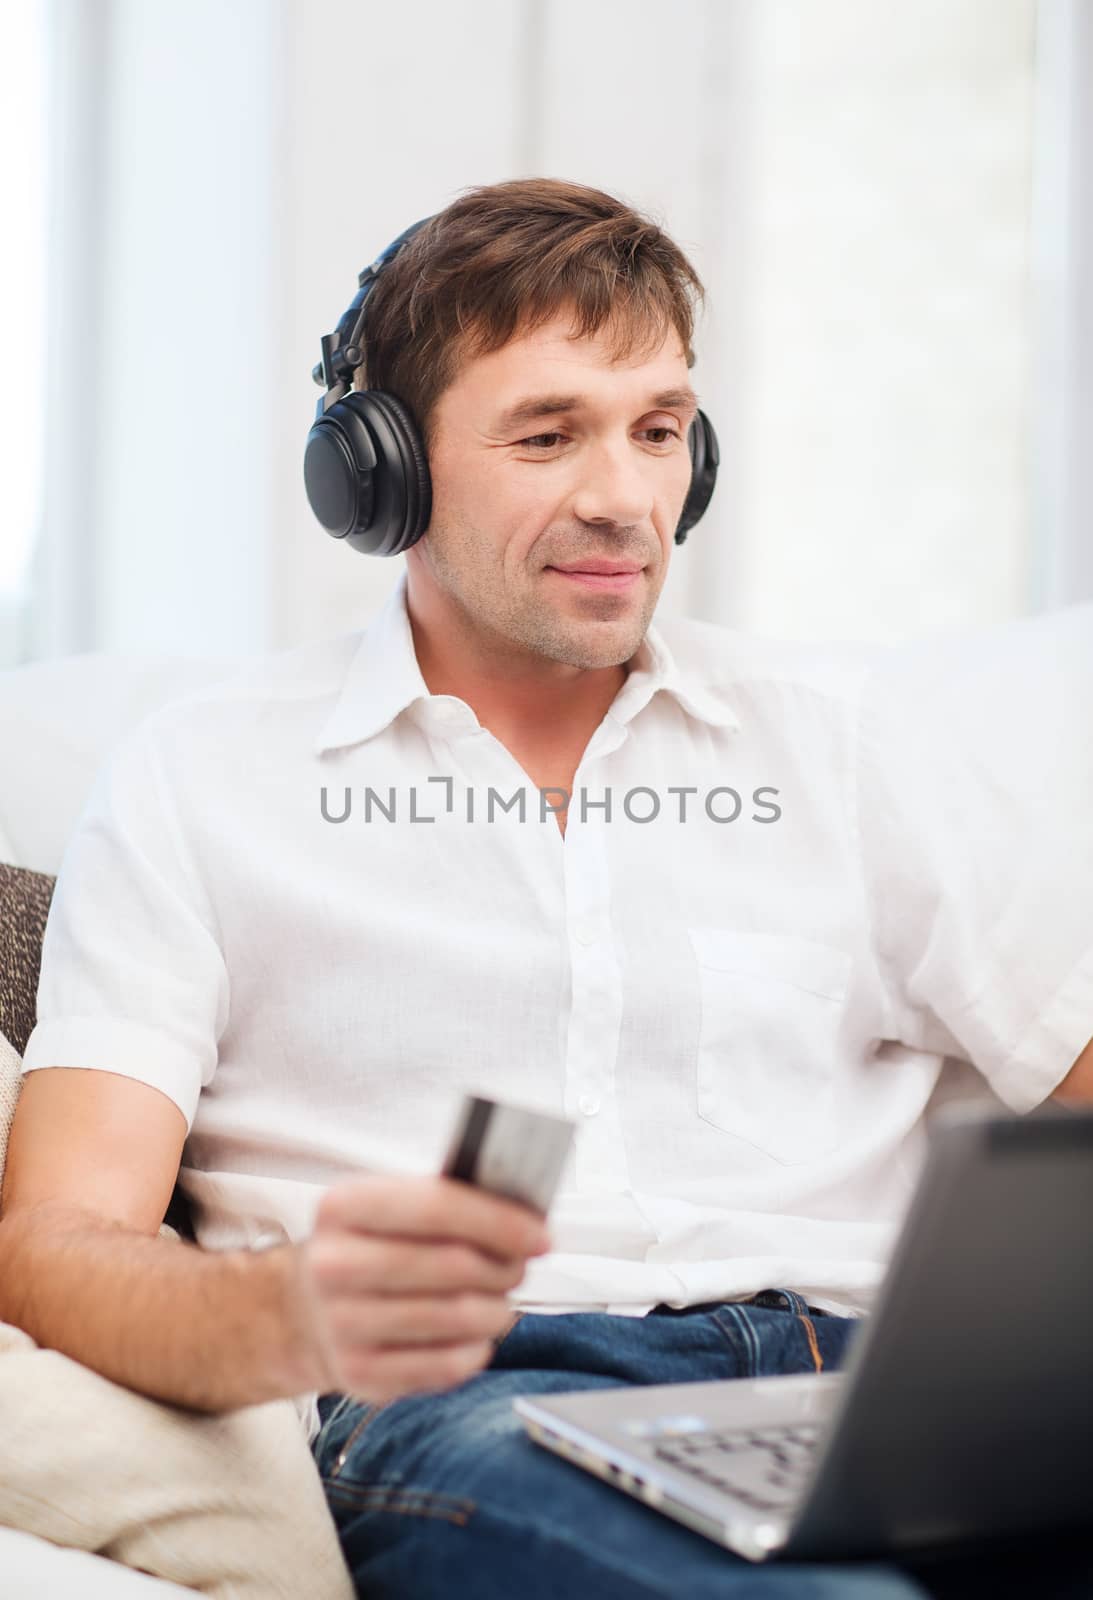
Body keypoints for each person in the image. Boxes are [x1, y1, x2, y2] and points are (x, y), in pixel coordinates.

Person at [3, 177, 1092, 1599]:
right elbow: (53, 1245)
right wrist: (285, 1314)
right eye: (545, 435)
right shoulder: (202, 779)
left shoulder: (847, 737)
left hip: (875, 1382)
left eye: (656, 432)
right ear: (377, 472)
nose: (623, 498)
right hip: (479, 1404)